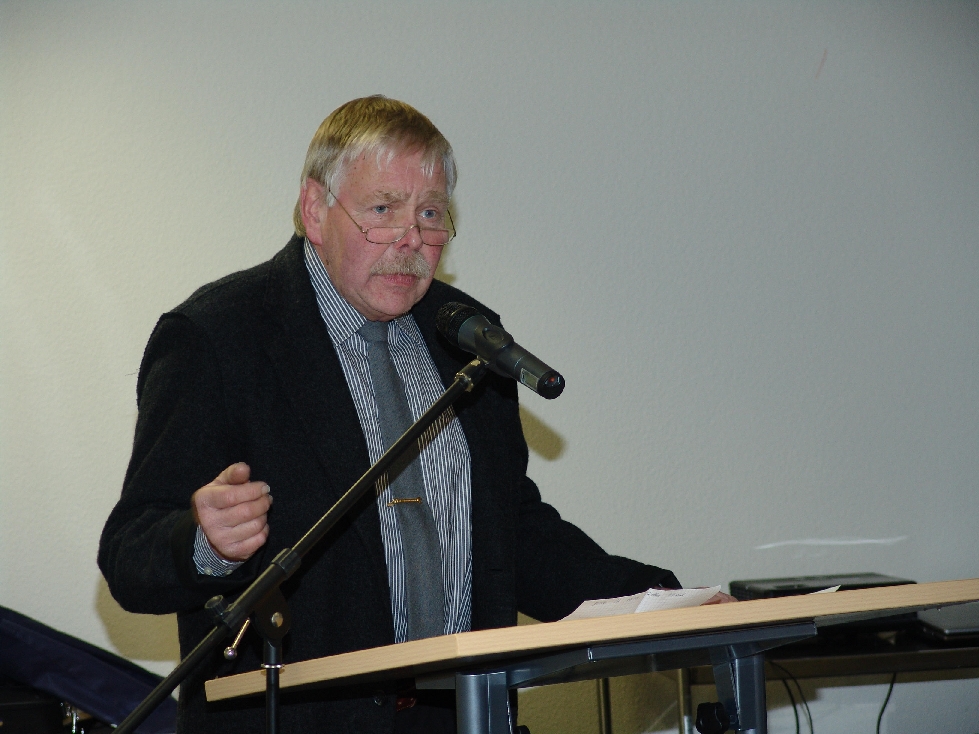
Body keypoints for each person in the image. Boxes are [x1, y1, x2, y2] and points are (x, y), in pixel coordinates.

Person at [98, 96, 687, 734]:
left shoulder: (466, 337)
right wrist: (204, 542)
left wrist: (662, 602)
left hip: (461, 719)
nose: (412, 240)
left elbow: (512, 538)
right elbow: (129, 554)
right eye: (383, 210)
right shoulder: (220, 336)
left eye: (430, 214)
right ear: (315, 209)